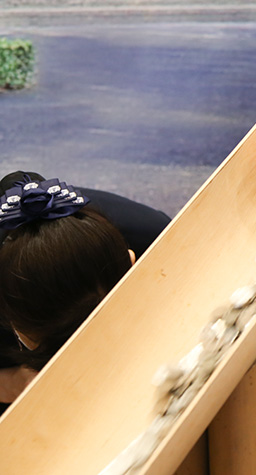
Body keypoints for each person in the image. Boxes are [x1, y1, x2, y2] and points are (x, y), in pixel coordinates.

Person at [0, 171, 170, 405]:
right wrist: (12, 384)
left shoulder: (158, 241)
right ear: (12, 322)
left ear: (131, 263)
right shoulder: (14, 297)